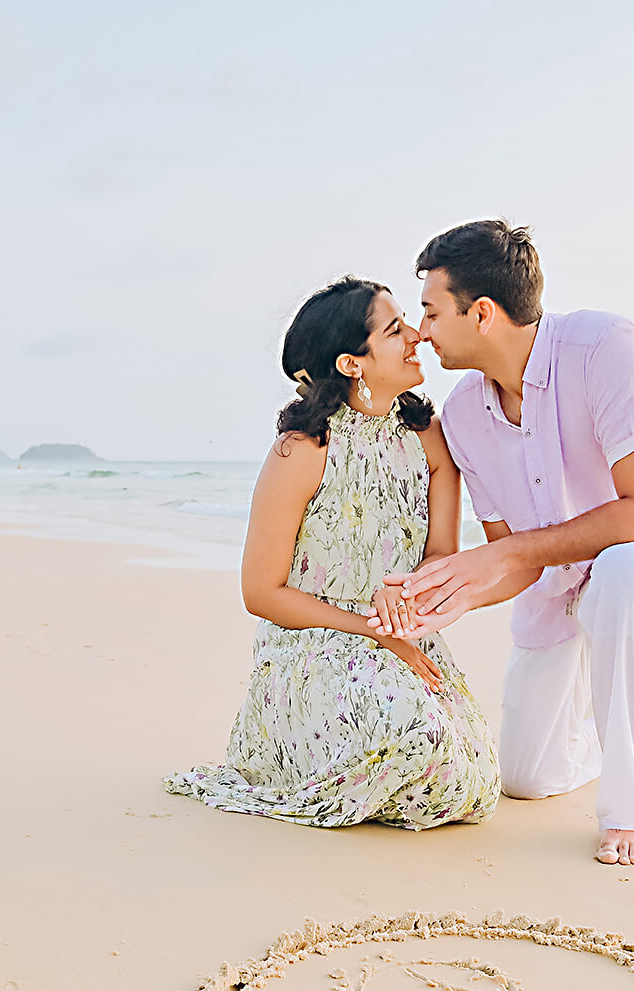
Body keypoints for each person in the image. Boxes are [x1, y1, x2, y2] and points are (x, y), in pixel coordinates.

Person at [370, 221, 634, 866]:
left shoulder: (604, 347)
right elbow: (514, 561)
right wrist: (446, 596)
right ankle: (606, 735)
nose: (420, 330)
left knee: (625, 573)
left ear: (481, 313)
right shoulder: (463, 417)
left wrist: (507, 555)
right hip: (558, 581)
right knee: (525, 778)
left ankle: (629, 809)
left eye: (429, 311)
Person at [164, 277, 500, 829]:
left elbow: (441, 554)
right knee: (419, 741)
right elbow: (261, 591)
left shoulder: (430, 439)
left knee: (473, 785)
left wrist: (403, 607)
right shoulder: (302, 450)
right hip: (311, 647)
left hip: (402, 635)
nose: (417, 335)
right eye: (395, 330)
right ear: (352, 363)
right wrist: (367, 629)